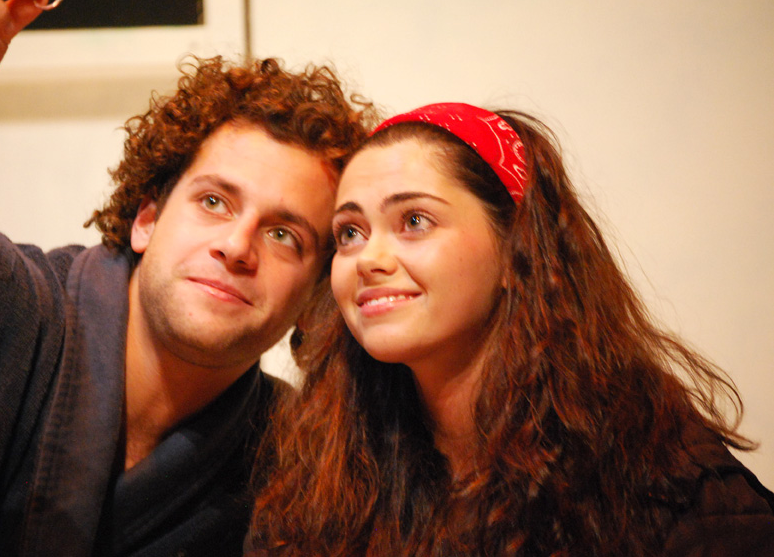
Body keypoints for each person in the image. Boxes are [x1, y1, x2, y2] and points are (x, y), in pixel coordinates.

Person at [0, 0, 373, 556]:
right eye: (214, 202)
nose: (236, 246)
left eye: (284, 235)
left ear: (315, 294)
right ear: (147, 218)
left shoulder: (296, 464)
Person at [247, 103, 774, 556]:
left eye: (414, 221)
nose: (368, 259)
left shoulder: (671, 490)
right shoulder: (319, 476)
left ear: (514, 251)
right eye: (350, 232)